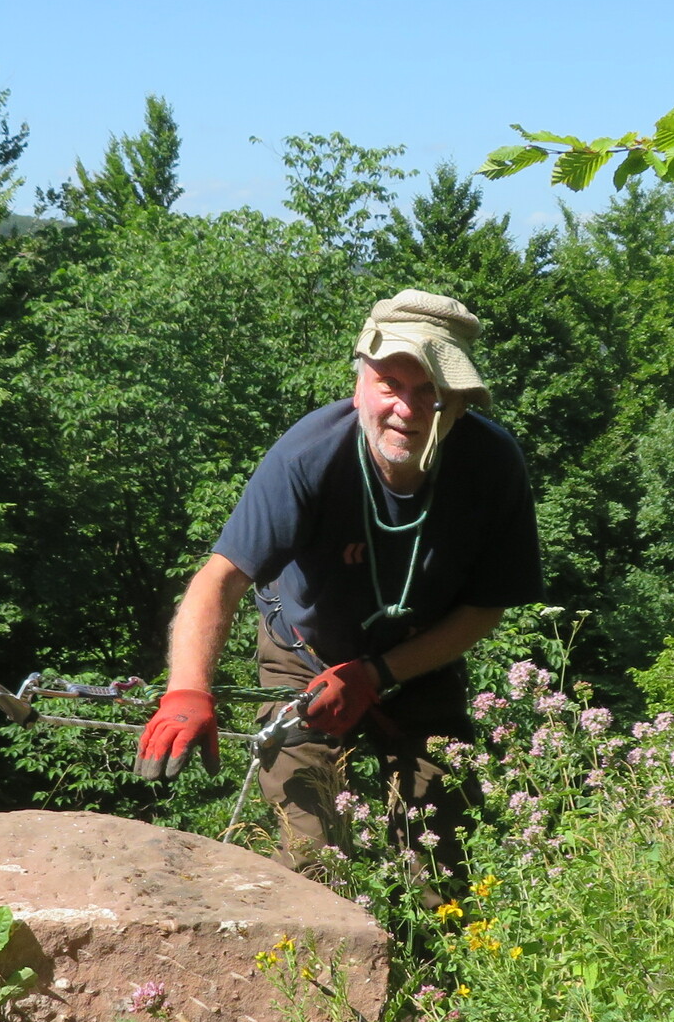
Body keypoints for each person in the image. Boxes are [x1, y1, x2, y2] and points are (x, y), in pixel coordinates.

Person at [136, 288, 543, 869]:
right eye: (390, 385)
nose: (407, 409)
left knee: (443, 857)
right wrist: (186, 691)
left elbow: (484, 608)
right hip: (302, 657)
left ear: (458, 402)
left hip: (419, 663)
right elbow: (220, 578)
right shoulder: (308, 457)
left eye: (430, 392)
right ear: (359, 389)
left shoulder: (492, 465)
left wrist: (377, 675)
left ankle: (433, 927)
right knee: (311, 855)